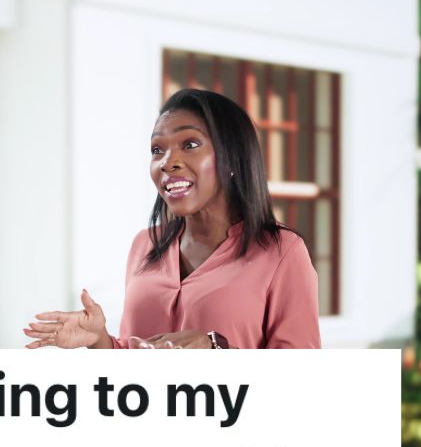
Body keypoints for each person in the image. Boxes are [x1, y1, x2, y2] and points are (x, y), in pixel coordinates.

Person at [24, 88, 320, 350]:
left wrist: (216, 350)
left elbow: (299, 380)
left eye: (190, 144)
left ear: (232, 157)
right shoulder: (145, 244)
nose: (168, 162)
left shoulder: (282, 251)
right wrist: (99, 340)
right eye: (157, 150)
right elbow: (136, 355)